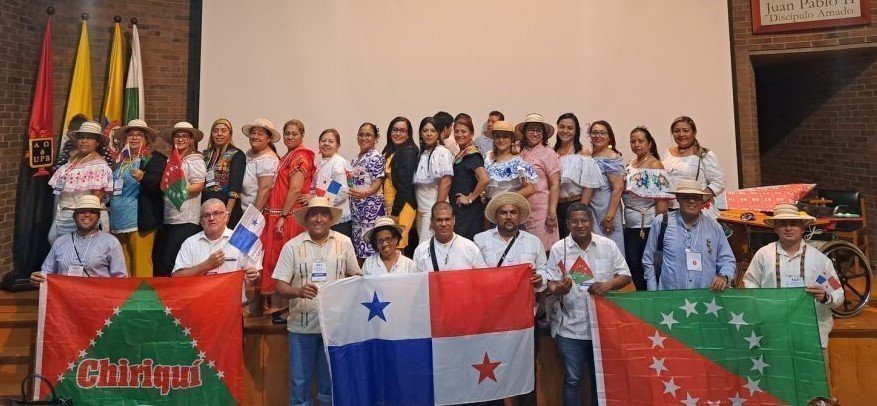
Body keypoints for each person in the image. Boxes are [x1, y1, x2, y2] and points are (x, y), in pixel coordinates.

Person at [272, 196, 360, 406]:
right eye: (314, 214)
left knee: (330, 383)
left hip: (334, 328)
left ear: (330, 219)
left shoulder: (344, 242)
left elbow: (356, 276)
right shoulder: (292, 246)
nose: (318, 219)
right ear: (307, 219)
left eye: (323, 214)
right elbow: (279, 287)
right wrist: (298, 291)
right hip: (301, 329)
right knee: (299, 383)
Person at [545, 202, 631, 406]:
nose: (580, 225)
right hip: (570, 328)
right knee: (572, 380)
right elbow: (551, 284)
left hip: (602, 328)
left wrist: (608, 284)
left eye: (584, 220)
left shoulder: (607, 245)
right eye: (574, 221)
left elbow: (625, 276)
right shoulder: (559, 248)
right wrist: (559, 289)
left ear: (591, 222)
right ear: (567, 224)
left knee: (600, 380)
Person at [473, 192, 546, 406]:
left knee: (525, 371)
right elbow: (475, 276)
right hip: (491, 320)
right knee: (490, 370)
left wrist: (540, 279)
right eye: (503, 213)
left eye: (513, 212)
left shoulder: (533, 242)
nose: (508, 217)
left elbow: (544, 272)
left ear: (519, 216)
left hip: (523, 320)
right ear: (496, 216)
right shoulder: (480, 240)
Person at [743, 204, 843, 359]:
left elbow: (837, 293)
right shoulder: (764, 255)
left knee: (812, 381)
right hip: (773, 333)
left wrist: (825, 296)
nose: (788, 228)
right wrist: (761, 302)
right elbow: (750, 284)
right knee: (777, 379)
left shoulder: (820, 261)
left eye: (794, 223)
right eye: (783, 224)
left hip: (811, 335)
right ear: (775, 228)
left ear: (803, 227)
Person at [643, 179, 736, 291]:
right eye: (686, 197)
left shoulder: (714, 227)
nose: (692, 201)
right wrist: (653, 292)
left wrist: (724, 276)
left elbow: (727, 259)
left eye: (696, 197)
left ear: (702, 200)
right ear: (678, 199)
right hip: (670, 298)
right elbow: (648, 261)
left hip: (705, 298)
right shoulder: (662, 223)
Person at [109, 119, 165, 277]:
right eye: (130, 135)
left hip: (139, 221)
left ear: (146, 139)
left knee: (141, 267)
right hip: (118, 221)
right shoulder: (119, 161)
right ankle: (126, 299)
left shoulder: (154, 158)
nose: (134, 138)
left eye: (139, 135)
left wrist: (144, 176)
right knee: (122, 267)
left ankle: (142, 301)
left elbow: (161, 184)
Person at [152, 122, 207, 277]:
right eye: (177, 135)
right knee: (160, 260)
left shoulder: (195, 159)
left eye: (185, 136)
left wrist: (175, 188)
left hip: (185, 219)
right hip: (169, 218)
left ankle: (174, 297)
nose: (180, 139)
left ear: (191, 140)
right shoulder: (171, 159)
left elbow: (198, 185)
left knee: (172, 261)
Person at [623, 126, 673, 291]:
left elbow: (661, 198)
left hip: (648, 224)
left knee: (645, 263)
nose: (636, 144)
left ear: (649, 143)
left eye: (640, 141)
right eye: (633, 141)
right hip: (630, 223)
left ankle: (650, 295)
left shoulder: (655, 165)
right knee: (632, 263)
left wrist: (660, 226)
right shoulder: (631, 163)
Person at [32, 195, 127, 284]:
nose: (87, 215)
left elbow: (120, 278)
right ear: (74, 216)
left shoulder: (111, 242)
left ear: (98, 217)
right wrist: (38, 278)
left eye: (92, 211)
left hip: (96, 299)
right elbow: (47, 272)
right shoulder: (60, 241)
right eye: (82, 211)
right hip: (65, 299)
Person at [47, 120, 114, 243]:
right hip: (61, 216)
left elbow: (96, 198)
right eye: (81, 137)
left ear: (97, 142)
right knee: (56, 246)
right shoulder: (72, 160)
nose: (84, 141)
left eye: (89, 138)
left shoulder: (99, 165)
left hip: (83, 220)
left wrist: (84, 220)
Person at [171, 199, 260, 283]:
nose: (212, 218)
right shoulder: (190, 243)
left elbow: (253, 282)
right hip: (200, 298)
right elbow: (177, 278)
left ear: (226, 217)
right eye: (206, 215)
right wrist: (206, 265)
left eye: (216, 213)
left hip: (231, 298)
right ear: (201, 221)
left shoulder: (242, 240)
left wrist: (253, 279)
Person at [662, 116, 726, 219]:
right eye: (676, 131)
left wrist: (699, 200)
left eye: (686, 131)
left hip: (697, 211)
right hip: (671, 212)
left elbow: (718, 183)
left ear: (694, 132)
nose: (681, 134)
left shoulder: (705, 155)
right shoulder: (667, 154)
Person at [553, 113, 603, 239]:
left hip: (575, 203)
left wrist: (582, 209)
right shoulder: (552, 151)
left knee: (576, 245)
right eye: (562, 127)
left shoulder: (582, 152)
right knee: (560, 245)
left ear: (576, 131)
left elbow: (588, 184)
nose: (565, 131)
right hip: (555, 206)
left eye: (570, 128)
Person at [517, 113, 561, 251]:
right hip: (523, 209)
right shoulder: (520, 152)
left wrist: (552, 211)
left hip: (542, 209)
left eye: (538, 130)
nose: (535, 133)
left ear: (543, 134)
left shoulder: (548, 153)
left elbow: (555, 184)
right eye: (531, 129)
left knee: (542, 249)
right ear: (524, 132)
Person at [349, 122, 387, 260]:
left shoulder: (375, 157)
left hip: (371, 210)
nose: (364, 138)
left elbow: (378, 181)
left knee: (371, 249)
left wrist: (365, 193)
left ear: (376, 138)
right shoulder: (354, 160)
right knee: (359, 249)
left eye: (368, 135)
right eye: (361, 135)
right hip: (357, 211)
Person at [412, 202, 486, 272]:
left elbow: (482, 277)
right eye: (439, 220)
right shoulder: (421, 250)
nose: (444, 224)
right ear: (432, 222)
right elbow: (417, 281)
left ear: (454, 220)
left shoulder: (470, 247)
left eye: (447, 219)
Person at [413, 117, 454, 244]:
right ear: (420, 133)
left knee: (425, 247)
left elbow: (446, 181)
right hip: (421, 209)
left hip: (433, 208)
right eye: (425, 130)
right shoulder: (422, 153)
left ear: (438, 133)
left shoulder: (441, 151)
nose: (429, 134)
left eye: (433, 130)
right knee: (426, 246)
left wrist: (437, 212)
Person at [588, 120, 626, 254]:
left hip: (608, 209)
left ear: (609, 136)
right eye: (594, 132)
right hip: (593, 209)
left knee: (610, 249)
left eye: (602, 133)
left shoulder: (611, 157)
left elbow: (618, 189)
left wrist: (609, 217)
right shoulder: (591, 156)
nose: (598, 136)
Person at [382, 117, 419, 253]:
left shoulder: (408, 153)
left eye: (402, 131)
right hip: (391, 205)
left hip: (402, 207)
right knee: (391, 244)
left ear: (408, 134)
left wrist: (395, 212)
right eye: (395, 130)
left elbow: (405, 186)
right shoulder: (393, 151)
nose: (398, 133)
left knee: (397, 246)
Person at [305, 129, 352, 236]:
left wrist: (315, 199)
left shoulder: (338, 162)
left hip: (339, 220)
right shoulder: (322, 163)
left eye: (331, 141)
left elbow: (342, 190)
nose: (326, 143)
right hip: (326, 217)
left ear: (337, 146)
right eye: (323, 140)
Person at [449, 114, 489, 240]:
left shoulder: (472, 154)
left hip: (469, 212)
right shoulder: (461, 153)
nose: (460, 134)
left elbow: (484, 179)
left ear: (472, 133)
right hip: (460, 211)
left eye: (464, 131)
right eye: (457, 131)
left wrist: (470, 198)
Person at [202, 118, 246, 227]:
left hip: (225, 205)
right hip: (206, 204)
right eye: (215, 131)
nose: (219, 134)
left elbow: (235, 187)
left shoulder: (237, 154)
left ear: (230, 134)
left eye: (223, 130)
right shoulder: (205, 154)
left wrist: (227, 213)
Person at [483, 121, 537, 200]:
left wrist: (507, 199)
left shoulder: (517, 163)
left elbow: (530, 189)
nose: (501, 140)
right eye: (497, 136)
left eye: (505, 136)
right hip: (489, 206)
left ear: (512, 139)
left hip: (508, 208)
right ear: (494, 139)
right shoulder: (488, 159)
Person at [240, 118, 280, 214]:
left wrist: (254, 216)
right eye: (253, 133)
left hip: (255, 214)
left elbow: (265, 188)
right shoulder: (249, 153)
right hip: (243, 209)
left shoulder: (267, 159)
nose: (255, 136)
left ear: (269, 139)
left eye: (260, 134)